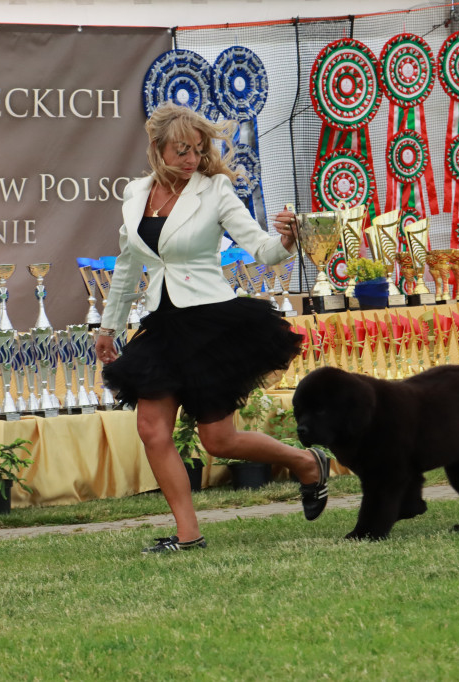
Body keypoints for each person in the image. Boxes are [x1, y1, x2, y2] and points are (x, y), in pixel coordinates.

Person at [95, 102, 330, 554]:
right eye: (181, 151)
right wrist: (109, 326)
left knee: (218, 440)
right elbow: (128, 265)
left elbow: (261, 248)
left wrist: (285, 240)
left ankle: (307, 463)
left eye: (198, 151)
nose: (191, 160)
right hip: (162, 325)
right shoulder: (135, 193)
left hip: (211, 324)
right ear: (157, 148)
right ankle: (188, 535)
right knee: (152, 430)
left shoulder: (216, 189)